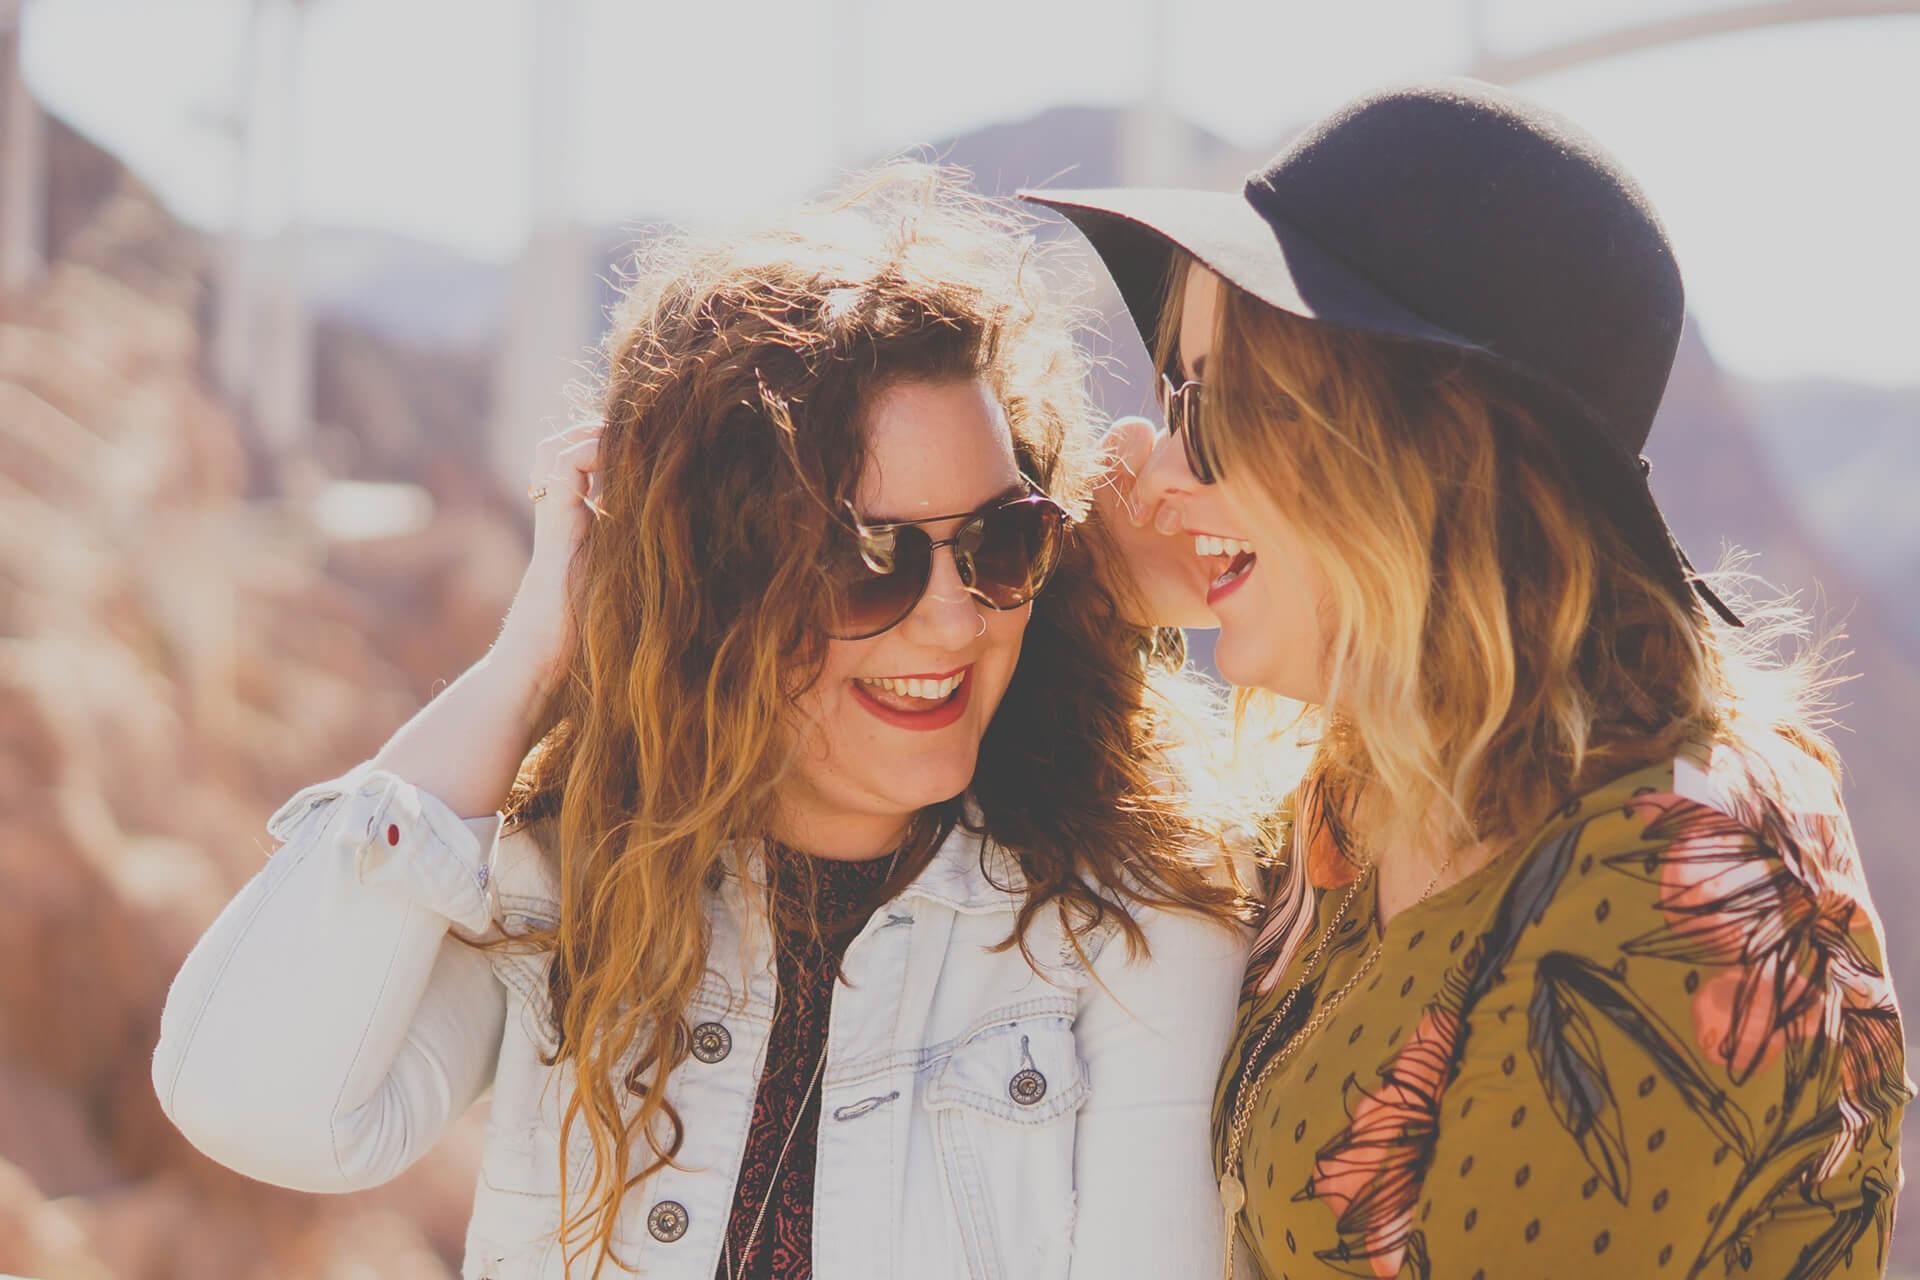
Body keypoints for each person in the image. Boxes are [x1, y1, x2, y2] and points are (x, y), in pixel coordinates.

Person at [152, 169, 1250, 1280]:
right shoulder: (578, 876)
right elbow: (256, 1101)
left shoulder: (1131, 925)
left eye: (999, 540)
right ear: (719, 581)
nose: (954, 618)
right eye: (869, 557)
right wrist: (533, 652)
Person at [1025, 79, 1910, 1278]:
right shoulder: (1362, 792)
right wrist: (1090, 606)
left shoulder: (1678, 875)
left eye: (1207, 408)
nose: (1160, 469)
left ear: (1415, 454)